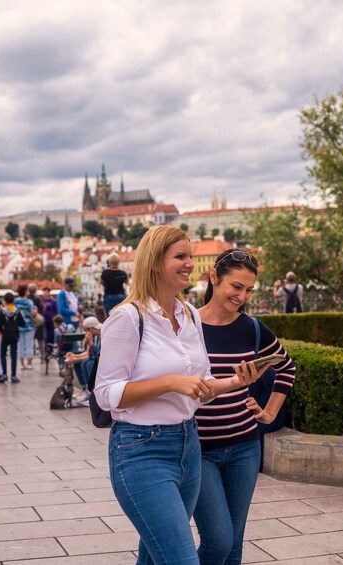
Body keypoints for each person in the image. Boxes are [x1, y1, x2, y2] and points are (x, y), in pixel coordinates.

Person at [95, 225, 263, 564]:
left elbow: (200, 386)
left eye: (190, 256)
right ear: (155, 262)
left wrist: (235, 382)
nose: (190, 264)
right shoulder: (128, 317)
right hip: (141, 450)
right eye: (181, 256)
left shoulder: (188, 316)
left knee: (155, 556)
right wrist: (170, 382)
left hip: (188, 445)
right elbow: (105, 394)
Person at [195, 248, 296, 564]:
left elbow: (287, 367)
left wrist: (269, 412)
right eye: (236, 287)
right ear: (214, 278)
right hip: (198, 450)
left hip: (244, 449)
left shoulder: (252, 328)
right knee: (218, 541)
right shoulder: (186, 325)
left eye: (249, 289)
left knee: (234, 543)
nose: (242, 296)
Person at [65, 316, 103, 404]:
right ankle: (86, 389)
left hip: (101, 360)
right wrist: (74, 356)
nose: (86, 332)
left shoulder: (101, 335)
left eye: (87, 330)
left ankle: (91, 392)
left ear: (92, 328)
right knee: (82, 363)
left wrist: (91, 343)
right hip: (94, 358)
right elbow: (88, 353)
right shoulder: (94, 335)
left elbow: (100, 354)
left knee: (88, 364)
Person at [0, 292, 22, 383]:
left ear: (4, 301)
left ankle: (4, 374)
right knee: (13, 354)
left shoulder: (3, 311)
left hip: (5, 335)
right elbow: (23, 323)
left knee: (3, 354)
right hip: (15, 335)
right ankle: (13, 375)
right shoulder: (17, 311)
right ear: (13, 300)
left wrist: (3, 331)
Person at [14, 284, 36, 370]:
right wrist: (36, 311)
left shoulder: (15, 302)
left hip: (18, 326)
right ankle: (29, 363)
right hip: (29, 325)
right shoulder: (28, 302)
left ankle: (22, 364)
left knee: (20, 345)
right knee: (29, 345)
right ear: (25, 292)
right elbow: (32, 313)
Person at [40, 287, 58, 360]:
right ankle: (45, 351)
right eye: (44, 291)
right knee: (44, 337)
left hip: (51, 320)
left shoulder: (52, 301)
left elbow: (56, 310)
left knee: (51, 336)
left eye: (46, 291)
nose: (45, 293)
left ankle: (50, 350)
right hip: (43, 321)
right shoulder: (41, 301)